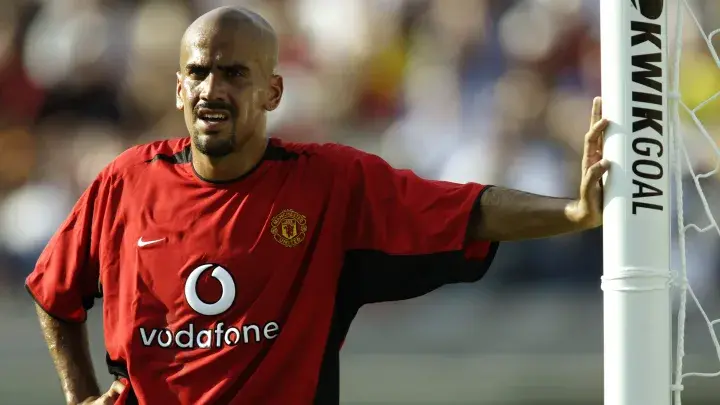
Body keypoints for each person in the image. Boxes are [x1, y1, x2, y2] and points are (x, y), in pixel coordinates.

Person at [25, 6, 610, 405]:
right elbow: (54, 291)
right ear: (179, 89)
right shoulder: (127, 181)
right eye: (198, 73)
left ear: (272, 91)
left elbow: (468, 210)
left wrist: (573, 213)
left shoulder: (328, 182)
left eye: (234, 74)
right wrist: (80, 396)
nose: (212, 90)